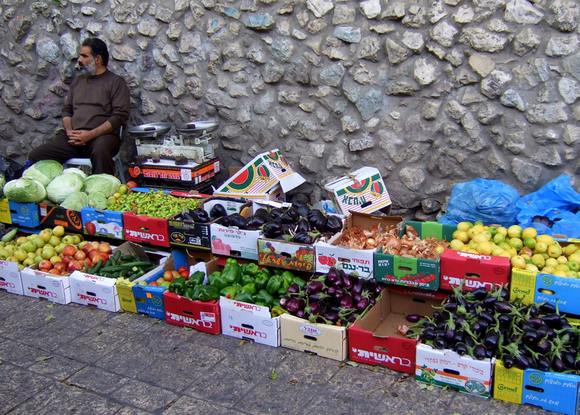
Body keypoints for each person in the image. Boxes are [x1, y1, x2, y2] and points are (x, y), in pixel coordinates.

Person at [29, 38, 130, 175]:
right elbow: (67, 110)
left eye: (84, 56)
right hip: (74, 138)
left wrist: (90, 135)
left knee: (101, 151)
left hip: (102, 138)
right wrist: (70, 131)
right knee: (37, 155)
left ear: (98, 59)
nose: (79, 60)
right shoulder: (78, 81)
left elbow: (120, 116)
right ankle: (58, 191)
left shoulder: (116, 82)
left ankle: (100, 194)